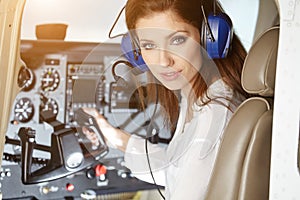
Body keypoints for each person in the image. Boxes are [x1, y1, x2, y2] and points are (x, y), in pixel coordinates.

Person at [84, 0, 249, 199]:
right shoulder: (202, 95)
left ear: (209, 38)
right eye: (149, 45)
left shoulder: (214, 116)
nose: (163, 61)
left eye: (177, 40)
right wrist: (116, 138)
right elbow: (177, 171)